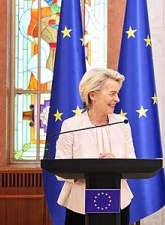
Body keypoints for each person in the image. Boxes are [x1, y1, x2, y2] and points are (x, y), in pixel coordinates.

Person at [55, 68, 136, 225]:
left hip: (119, 202)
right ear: (93, 95)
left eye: (117, 93)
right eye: (112, 94)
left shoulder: (122, 124)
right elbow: (60, 169)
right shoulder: (71, 125)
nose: (117, 99)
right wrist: (92, 169)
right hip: (79, 206)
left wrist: (115, 165)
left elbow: (132, 163)